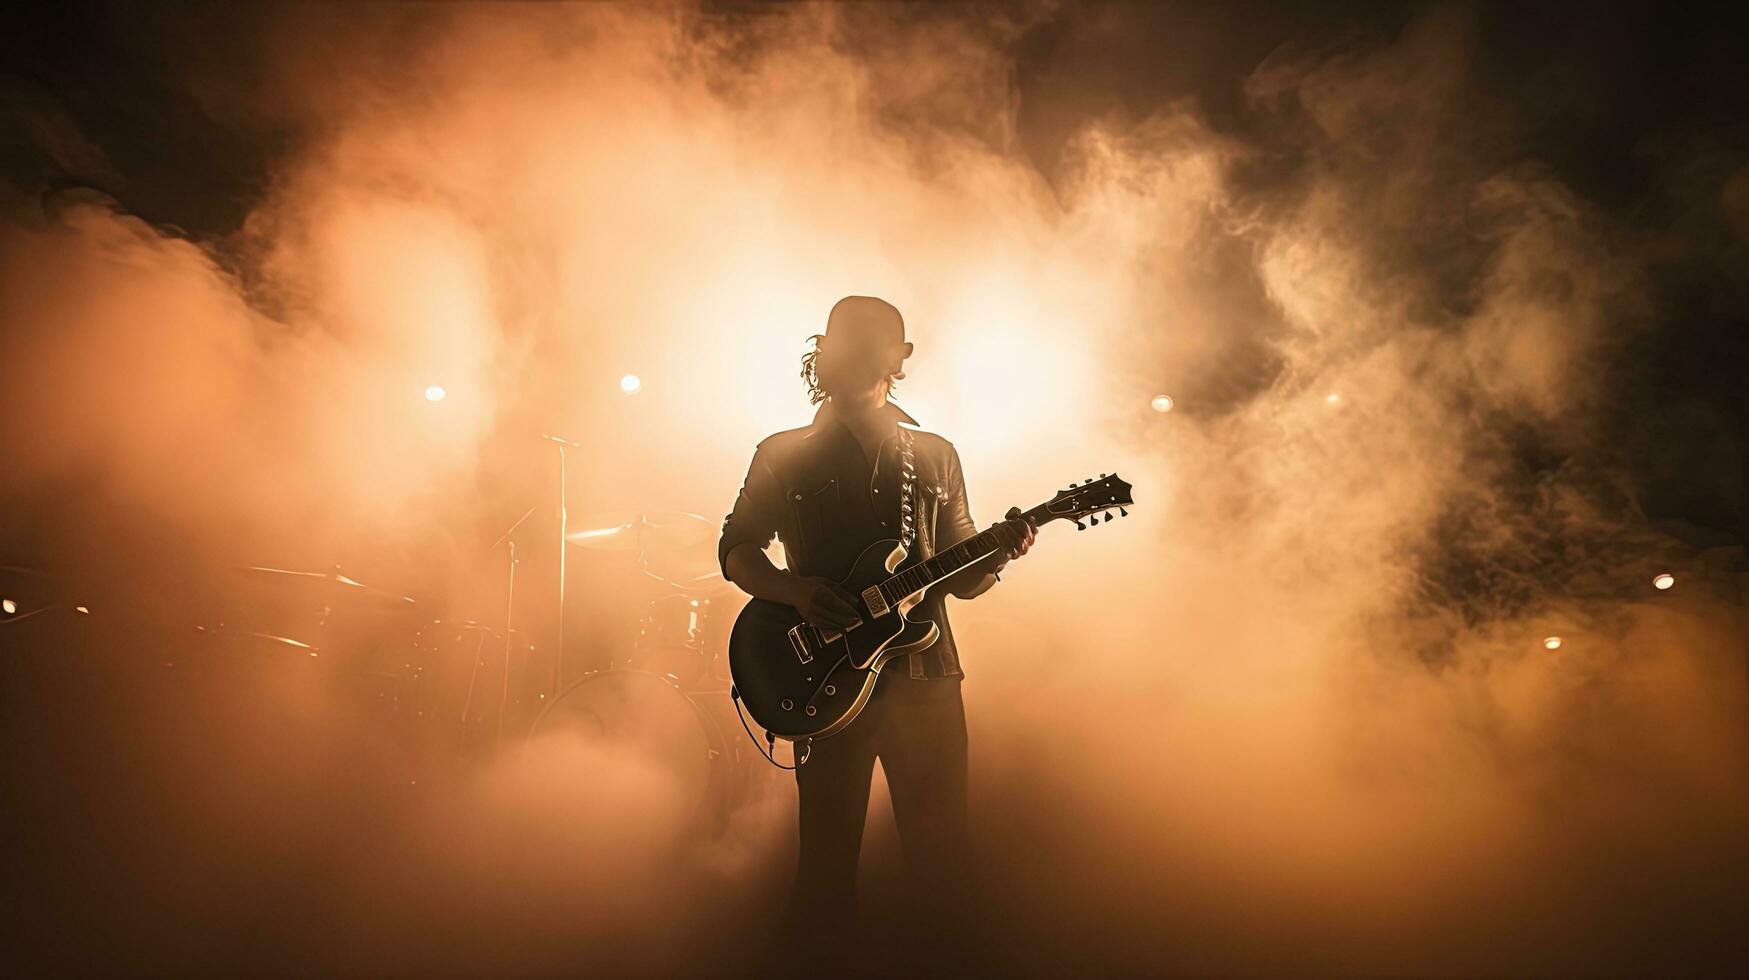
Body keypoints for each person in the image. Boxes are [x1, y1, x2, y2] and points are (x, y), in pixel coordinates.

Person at [716, 295, 1034, 959]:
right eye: (841, 340)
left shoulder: (934, 453)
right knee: (825, 872)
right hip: (825, 682)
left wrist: (999, 555)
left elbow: (964, 576)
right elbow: (737, 549)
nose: (852, 354)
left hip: (925, 676)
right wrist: (795, 591)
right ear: (821, 349)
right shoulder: (784, 451)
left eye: (869, 342)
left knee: (943, 865)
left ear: (900, 357)